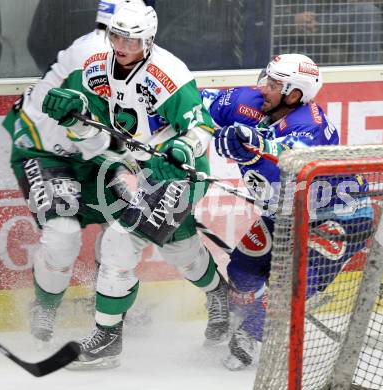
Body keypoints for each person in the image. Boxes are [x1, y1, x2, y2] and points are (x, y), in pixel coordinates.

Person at [41, 0, 229, 369]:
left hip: (180, 172)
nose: (123, 46)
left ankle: (107, 340)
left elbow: (202, 128)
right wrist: (73, 115)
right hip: (143, 168)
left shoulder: (169, 74)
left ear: (150, 39)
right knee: (181, 248)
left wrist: (181, 150)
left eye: (133, 39)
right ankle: (219, 293)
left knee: (117, 243)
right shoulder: (96, 67)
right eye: (116, 36)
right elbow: (93, 130)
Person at [212, 53, 373, 370]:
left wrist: (249, 142)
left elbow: (287, 156)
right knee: (241, 272)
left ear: (294, 94)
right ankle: (255, 315)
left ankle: (254, 330)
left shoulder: (309, 124)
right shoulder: (254, 104)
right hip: (285, 214)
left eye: (273, 84)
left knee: (293, 287)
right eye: (267, 80)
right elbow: (193, 103)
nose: (263, 89)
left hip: (339, 218)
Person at [2, 0, 130, 344]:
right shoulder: (93, 53)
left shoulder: (133, 56)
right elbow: (94, 131)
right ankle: (44, 308)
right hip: (43, 148)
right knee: (62, 231)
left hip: (88, 151)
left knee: (127, 227)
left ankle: (104, 303)